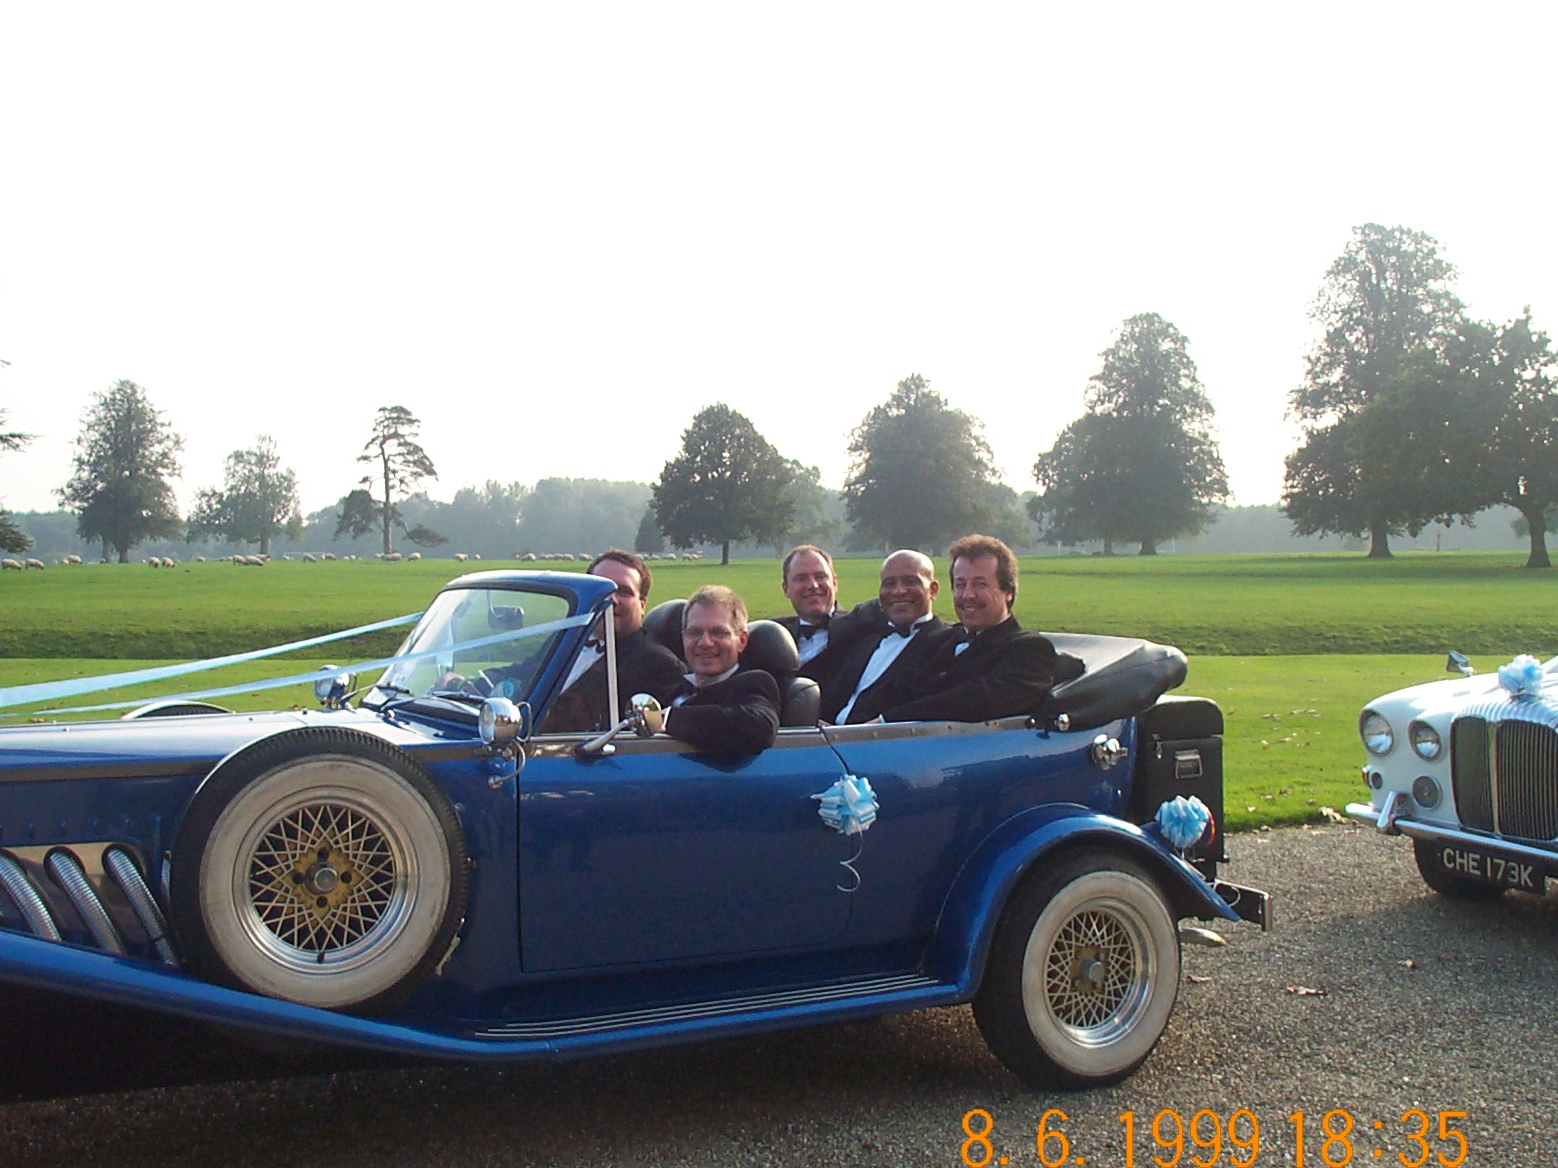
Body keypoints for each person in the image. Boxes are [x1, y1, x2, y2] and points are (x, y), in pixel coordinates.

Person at [871, 534, 1056, 723]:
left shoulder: (1030, 650)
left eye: (980, 584)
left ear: (1008, 592)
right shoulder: (937, 641)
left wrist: (885, 720)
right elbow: (894, 691)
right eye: (960, 585)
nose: (968, 595)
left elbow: (974, 701)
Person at [539, 549, 686, 732]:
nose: (611, 600)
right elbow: (521, 675)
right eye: (601, 591)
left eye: (623, 592)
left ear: (642, 605)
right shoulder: (565, 640)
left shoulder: (658, 665)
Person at [821, 550, 946, 724]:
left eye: (910, 581)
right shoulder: (864, 642)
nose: (899, 591)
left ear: (933, 589)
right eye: (889, 584)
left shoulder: (945, 644)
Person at [662, 584, 780, 754]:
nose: (705, 643)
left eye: (718, 633)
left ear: (742, 640)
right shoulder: (674, 686)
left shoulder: (755, 684)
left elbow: (759, 728)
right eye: (695, 633)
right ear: (683, 638)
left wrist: (668, 720)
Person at [774, 545, 844, 670]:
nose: (813, 585)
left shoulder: (859, 628)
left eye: (820, 576)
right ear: (786, 589)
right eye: (801, 579)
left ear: (834, 583)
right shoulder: (775, 637)